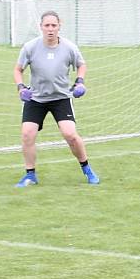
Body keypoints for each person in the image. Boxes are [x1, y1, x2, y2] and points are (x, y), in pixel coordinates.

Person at [13, 10, 99, 187]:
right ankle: (30, 175)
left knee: (70, 135)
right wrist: (21, 88)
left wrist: (80, 82)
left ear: (59, 26)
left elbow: (81, 65)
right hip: (36, 98)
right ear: (41, 27)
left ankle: (87, 169)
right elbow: (17, 69)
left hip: (61, 98)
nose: (50, 29)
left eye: (54, 25)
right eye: (47, 25)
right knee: (27, 134)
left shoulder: (69, 47)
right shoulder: (30, 47)